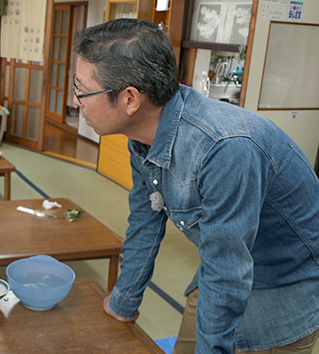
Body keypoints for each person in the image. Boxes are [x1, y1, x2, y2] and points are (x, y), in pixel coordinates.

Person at [73, 18, 319, 353]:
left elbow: (227, 271)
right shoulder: (142, 136)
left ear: (130, 99)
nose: (77, 102)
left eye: (84, 91)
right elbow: (147, 218)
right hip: (221, 272)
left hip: (282, 289)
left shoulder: (224, 148)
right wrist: (124, 300)